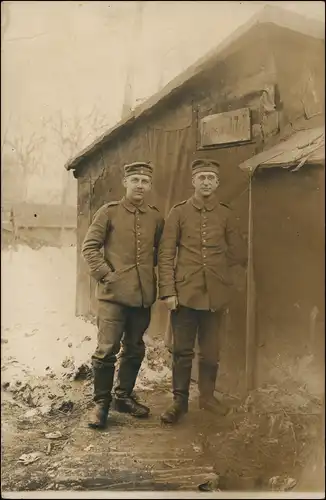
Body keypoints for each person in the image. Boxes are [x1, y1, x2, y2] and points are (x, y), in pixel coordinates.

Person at [158, 158, 247, 424]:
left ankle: (207, 398)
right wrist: (168, 291)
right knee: (182, 352)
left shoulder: (226, 214)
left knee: (211, 352)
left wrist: (224, 280)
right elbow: (165, 254)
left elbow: (239, 253)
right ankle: (179, 402)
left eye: (211, 178)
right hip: (185, 295)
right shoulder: (178, 213)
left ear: (217, 183)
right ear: (193, 182)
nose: (206, 182)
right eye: (201, 178)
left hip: (215, 296)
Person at [82, 161, 164, 429]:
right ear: (125, 183)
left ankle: (123, 396)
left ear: (150, 186)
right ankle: (101, 404)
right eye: (135, 180)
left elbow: (160, 253)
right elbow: (90, 247)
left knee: (134, 348)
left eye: (145, 181)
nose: (140, 185)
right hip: (113, 297)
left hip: (141, 297)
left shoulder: (155, 217)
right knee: (106, 351)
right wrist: (108, 275)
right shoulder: (109, 212)